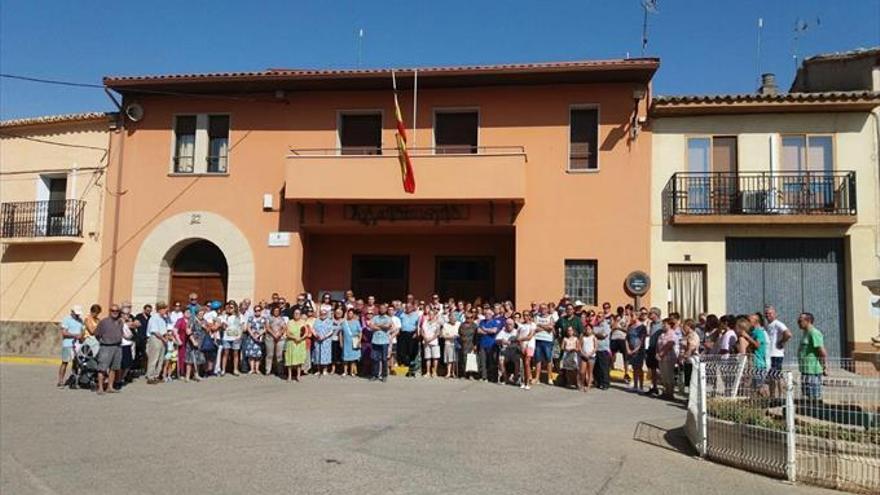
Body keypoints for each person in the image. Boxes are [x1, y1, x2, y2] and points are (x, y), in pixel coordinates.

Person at [94, 304, 125, 395]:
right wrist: (103, 341)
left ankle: (110, 387)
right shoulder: (104, 322)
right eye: (113, 310)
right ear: (109, 311)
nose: (115, 312)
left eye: (117, 311)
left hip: (117, 347)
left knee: (114, 368)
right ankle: (100, 388)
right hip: (106, 347)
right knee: (102, 368)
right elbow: (97, 334)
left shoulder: (120, 322)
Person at [797, 312, 827, 401]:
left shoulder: (814, 333)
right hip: (805, 369)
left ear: (808, 321)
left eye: (800, 320)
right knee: (807, 395)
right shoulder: (805, 333)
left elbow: (822, 351)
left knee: (814, 396)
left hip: (813, 370)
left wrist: (825, 366)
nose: (798, 322)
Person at [764, 305, 792, 396]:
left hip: (776, 354)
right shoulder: (768, 325)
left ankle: (779, 396)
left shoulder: (778, 323)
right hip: (770, 354)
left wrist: (781, 342)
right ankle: (773, 395)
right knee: (771, 376)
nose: (768, 315)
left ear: (775, 314)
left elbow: (788, 334)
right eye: (766, 313)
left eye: (770, 313)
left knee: (776, 376)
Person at [57, 305, 85, 387]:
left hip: (78, 345)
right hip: (68, 344)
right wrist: (74, 335)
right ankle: (61, 380)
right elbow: (64, 332)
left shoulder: (80, 320)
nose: (77, 315)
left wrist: (81, 335)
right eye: (76, 313)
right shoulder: (66, 319)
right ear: (72, 312)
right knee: (65, 362)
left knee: (76, 363)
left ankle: (74, 380)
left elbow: (83, 330)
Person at [145, 302, 169, 384]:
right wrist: (163, 338)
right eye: (165, 309)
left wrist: (166, 337)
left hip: (162, 339)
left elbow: (164, 330)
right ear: (160, 309)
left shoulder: (163, 318)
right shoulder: (154, 318)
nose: (166, 310)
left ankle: (156, 375)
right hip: (155, 339)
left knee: (161, 358)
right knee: (154, 358)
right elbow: (155, 331)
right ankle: (150, 376)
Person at [476, 307, 502, 382]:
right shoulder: (482, 322)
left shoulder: (495, 322)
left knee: (491, 361)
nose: (487, 315)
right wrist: (488, 331)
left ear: (492, 315)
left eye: (489, 314)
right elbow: (478, 331)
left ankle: (492, 377)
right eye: (486, 314)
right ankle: (484, 377)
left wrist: (485, 329)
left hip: (492, 345)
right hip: (482, 344)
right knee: (483, 361)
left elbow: (494, 331)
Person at [219, 301, 243, 376]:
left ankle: (235, 369)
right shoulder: (225, 316)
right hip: (227, 337)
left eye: (232, 307)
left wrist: (240, 336)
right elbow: (223, 326)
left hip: (236, 337)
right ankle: (223, 370)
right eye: (229, 307)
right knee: (225, 353)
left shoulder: (239, 316)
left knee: (235, 354)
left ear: (235, 308)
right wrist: (224, 323)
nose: (230, 309)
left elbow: (242, 327)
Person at [657, 318, 679, 400]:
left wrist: (662, 354)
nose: (663, 326)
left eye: (665, 324)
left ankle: (670, 393)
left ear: (670, 325)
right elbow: (658, 345)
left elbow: (669, 345)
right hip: (661, 357)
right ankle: (665, 391)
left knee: (669, 375)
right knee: (663, 375)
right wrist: (657, 353)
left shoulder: (673, 334)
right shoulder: (662, 335)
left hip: (669, 357)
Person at [533, 304, 555, 385]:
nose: (543, 310)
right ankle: (537, 378)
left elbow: (551, 327)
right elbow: (535, 328)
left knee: (548, 359)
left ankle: (549, 378)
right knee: (538, 360)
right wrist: (546, 327)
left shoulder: (551, 317)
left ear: (547, 309)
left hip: (547, 340)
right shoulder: (536, 317)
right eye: (541, 308)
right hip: (538, 339)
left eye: (545, 308)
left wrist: (540, 325)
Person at [370, 304, 392, 382]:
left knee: (384, 359)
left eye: (384, 308)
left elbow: (388, 326)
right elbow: (371, 326)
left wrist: (377, 325)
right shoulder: (375, 317)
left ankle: (384, 375)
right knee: (375, 359)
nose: (382, 310)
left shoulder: (388, 318)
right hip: (375, 340)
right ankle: (375, 375)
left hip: (384, 341)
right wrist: (382, 326)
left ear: (386, 310)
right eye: (381, 308)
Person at [284, 308, 308, 381]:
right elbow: (287, 333)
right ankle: (290, 376)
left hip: (300, 343)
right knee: (290, 359)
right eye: (295, 313)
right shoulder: (289, 322)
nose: (296, 315)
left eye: (298, 313)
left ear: (300, 315)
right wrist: (294, 337)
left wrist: (301, 338)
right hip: (291, 343)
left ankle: (298, 376)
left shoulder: (303, 322)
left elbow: (306, 332)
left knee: (299, 359)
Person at [398, 303, 421, 377]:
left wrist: (416, 333)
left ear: (412, 307)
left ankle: (412, 370)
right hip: (403, 335)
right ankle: (407, 369)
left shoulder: (416, 315)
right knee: (403, 352)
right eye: (407, 307)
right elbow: (399, 325)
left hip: (413, 335)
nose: (408, 308)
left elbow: (418, 325)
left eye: (410, 307)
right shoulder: (402, 315)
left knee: (412, 352)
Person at [645, 307, 663, 395]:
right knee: (652, 368)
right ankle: (654, 386)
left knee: (660, 368)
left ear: (656, 314)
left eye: (651, 314)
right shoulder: (651, 324)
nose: (649, 315)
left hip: (659, 348)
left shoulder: (662, 324)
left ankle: (664, 388)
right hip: (651, 347)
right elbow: (648, 334)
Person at [184, 307, 206, 381]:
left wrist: (205, 327)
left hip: (201, 342)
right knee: (190, 360)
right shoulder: (192, 320)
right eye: (200, 313)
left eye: (203, 313)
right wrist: (193, 341)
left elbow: (208, 330)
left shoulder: (203, 321)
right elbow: (188, 331)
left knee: (198, 359)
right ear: (197, 313)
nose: (201, 314)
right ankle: (187, 376)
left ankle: (196, 375)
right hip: (192, 342)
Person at [243, 304, 267, 375]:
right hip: (251, 338)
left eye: (259, 310)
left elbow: (265, 328)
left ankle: (257, 369)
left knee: (258, 354)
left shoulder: (264, 319)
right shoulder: (251, 318)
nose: (257, 312)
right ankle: (251, 369)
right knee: (251, 354)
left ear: (261, 311)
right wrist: (253, 335)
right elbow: (248, 327)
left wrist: (259, 334)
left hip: (260, 338)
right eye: (256, 311)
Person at [311, 308, 334, 376]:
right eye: (321, 314)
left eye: (324, 314)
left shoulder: (329, 321)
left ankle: (325, 370)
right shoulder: (317, 320)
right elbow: (313, 329)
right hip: (317, 340)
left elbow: (331, 331)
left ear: (326, 314)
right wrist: (316, 335)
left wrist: (324, 336)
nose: (323, 315)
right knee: (317, 354)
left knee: (325, 355)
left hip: (326, 341)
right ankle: (318, 370)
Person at [517, 311, 536, 390]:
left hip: (530, 345)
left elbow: (530, 336)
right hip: (521, 345)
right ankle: (522, 381)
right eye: (524, 315)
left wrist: (521, 339)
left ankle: (527, 382)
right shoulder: (520, 325)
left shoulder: (532, 325)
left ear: (530, 316)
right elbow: (517, 336)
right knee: (522, 364)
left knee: (527, 363)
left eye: (527, 315)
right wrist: (521, 343)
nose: (525, 317)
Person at [420, 308, 441, 378]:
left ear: (434, 315)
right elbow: (422, 331)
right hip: (426, 342)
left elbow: (437, 333)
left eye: (432, 314)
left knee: (435, 358)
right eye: (429, 314)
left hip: (434, 342)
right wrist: (425, 337)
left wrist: (431, 339)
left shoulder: (437, 323)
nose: (430, 315)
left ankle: (434, 372)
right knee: (427, 358)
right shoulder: (425, 322)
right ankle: (428, 372)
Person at [265, 306, 286, 377]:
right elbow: (267, 327)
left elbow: (284, 327)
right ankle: (268, 370)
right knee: (270, 354)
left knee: (279, 355)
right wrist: (273, 334)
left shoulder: (281, 319)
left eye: (277, 311)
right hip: (270, 338)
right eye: (275, 311)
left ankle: (280, 371)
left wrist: (279, 333)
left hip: (280, 338)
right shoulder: (269, 318)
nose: (276, 312)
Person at [680, 318, 700, 392]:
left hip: (691, 360)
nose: (683, 327)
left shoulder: (693, 335)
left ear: (689, 326)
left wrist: (685, 356)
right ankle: (689, 396)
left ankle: (692, 397)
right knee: (688, 380)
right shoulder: (687, 335)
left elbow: (691, 348)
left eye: (684, 326)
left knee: (692, 379)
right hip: (687, 360)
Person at [340, 308, 362, 376]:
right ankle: (345, 371)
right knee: (345, 358)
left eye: (351, 313)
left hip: (354, 341)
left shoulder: (356, 322)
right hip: (346, 342)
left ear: (353, 315)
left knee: (353, 358)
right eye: (349, 313)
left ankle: (352, 372)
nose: (350, 315)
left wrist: (359, 340)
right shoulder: (344, 322)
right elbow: (341, 333)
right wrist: (341, 342)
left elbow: (360, 332)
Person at [458, 311, 479, 379]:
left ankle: (471, 375)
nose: (469, 319)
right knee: (464, 360)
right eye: (467, 318)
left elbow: (476, 336)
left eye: (470, 317)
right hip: (463, 345)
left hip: (471, 345)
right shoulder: (462, 325)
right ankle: (464, 374)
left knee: (471, 360)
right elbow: (459, 334)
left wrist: (475, 345)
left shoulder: (474, 325)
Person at [593, 317, 611, 390]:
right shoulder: (595, 326)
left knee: (604, 367)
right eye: (597, 317)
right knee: (597, 368)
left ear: (603, 318)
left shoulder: (606, 326)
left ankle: (605, 383)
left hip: (603, 349)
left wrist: (595, 334)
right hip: (596, 349)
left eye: (600, 317)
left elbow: (603, 336)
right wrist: (597, 334)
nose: (598, 318)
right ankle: (599, 382)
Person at [441, 311, 460, 379]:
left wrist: (456, 336)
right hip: (448, 343)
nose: (453, 318)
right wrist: (450, 337)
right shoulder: (445, 325)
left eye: (454, 317)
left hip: (456, 344)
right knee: (449, 359)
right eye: (451, 317)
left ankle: (453, 373)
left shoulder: (458, 324)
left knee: (454, 359)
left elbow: (460, 333)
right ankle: (448, 373)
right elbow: (443, 335)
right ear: (449, 318)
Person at [578, 323, 597, 392]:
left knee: (590, 372)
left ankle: (588, 385)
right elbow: (580, 346)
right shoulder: (583, 337)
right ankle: (582, 384)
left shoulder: (594, 337)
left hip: (591, 356)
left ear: (591, 330)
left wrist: (590, 354)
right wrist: (583, 353)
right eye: (586, 329)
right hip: (583, 356)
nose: (587, 330)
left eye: (589, 329)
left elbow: (595, 347)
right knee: (582, 371)